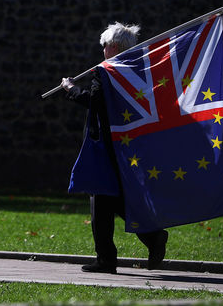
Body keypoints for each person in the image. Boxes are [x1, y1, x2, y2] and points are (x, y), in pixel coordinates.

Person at [62, 21, 168, 274]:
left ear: (115, 47)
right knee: (111, 200)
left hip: (107, 147)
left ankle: (110, 258)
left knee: (101, 200)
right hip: (126, 145)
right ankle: (149, 238)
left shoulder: (107, 71)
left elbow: (96, 103)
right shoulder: (135, 70)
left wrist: (71, 90)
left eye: (106, 46)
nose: (103, 51)